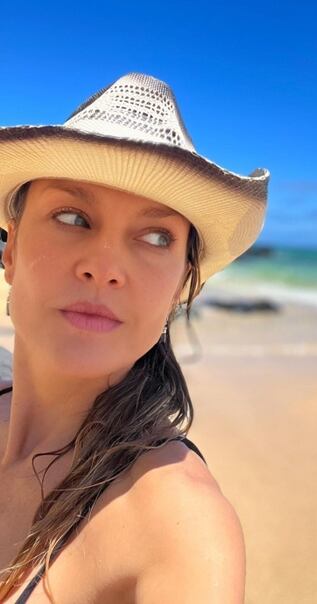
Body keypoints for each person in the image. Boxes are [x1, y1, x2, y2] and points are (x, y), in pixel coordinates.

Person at [0, 72, 269, 602]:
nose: (105, 268)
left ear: (181, 287)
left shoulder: (182, 530)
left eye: (155, 237)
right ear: (9, 249)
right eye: (72, 217)